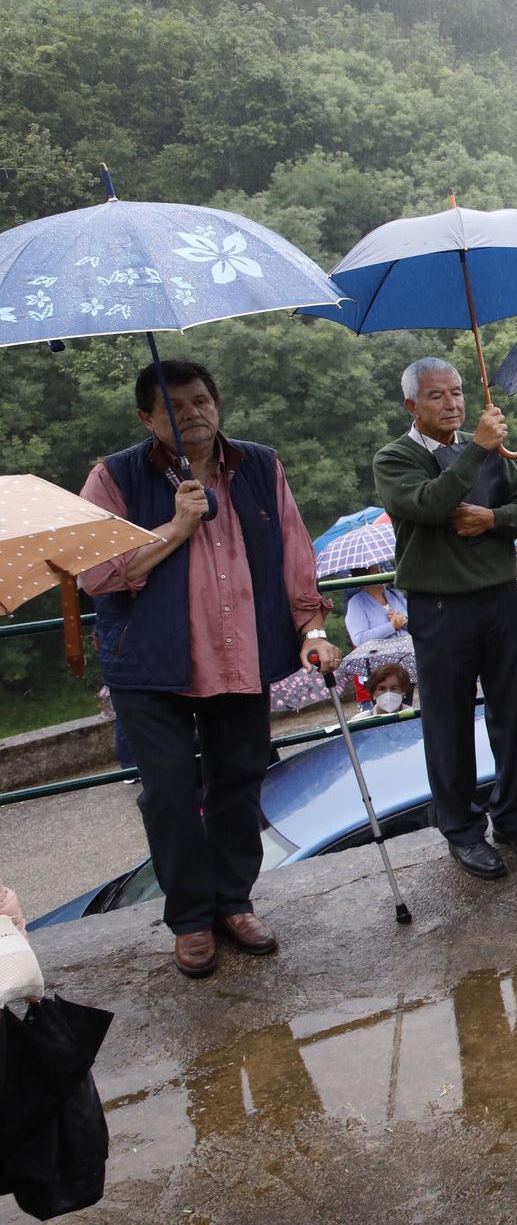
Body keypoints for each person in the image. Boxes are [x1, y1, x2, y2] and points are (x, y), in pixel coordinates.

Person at [79, 359, 337, 978]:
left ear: (217, 404)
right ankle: (191, 918)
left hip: (238, 656)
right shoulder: (113, 477)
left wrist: (314, 628)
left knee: (239, 782)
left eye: (200, 401)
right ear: (147, 418)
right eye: (174, 405)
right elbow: (98, 573)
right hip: (149, 665)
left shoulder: (258, 465)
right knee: (168, 793)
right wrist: (176, 525)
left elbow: (296, 553)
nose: (191, 413)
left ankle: (234, 902)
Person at [374, 357, 517, 881]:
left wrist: (493, 518)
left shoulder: (490, 453)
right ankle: (462, 831)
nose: (452, 403)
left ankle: (515, 818)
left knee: (513, 715)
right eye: (437, 396)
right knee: (448, 723)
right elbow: (429, 505)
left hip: (500, 597)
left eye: (456, 393)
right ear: (411, 405)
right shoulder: (395, 458)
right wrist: (475, 448)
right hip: (440, 606)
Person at [343, 566, 408, 645]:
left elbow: (419, 626)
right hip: (382, 655)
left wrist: (403, 622)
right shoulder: (356, 603)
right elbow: (359, 639)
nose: (382, 574)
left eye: (382, 569)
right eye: (376, 572)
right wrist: (392, 626)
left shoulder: (396, 595)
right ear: (363, 577)